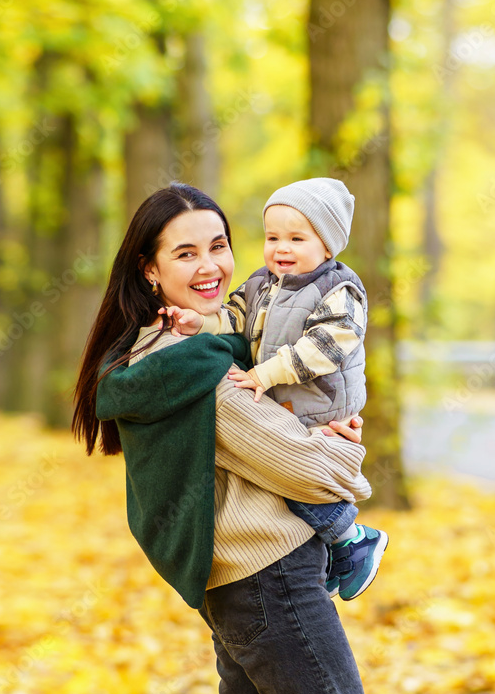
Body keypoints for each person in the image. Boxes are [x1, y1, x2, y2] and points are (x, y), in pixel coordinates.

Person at [72, 183, 398, 694]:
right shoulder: (199, 370)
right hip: (269, 576)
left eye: (218, 246)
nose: (210, 266)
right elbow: (320, 474)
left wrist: (308, 430)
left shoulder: (179, 346)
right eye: (184, 252)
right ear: (148, 268)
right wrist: (342, 443)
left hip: (237, 577)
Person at [158, 177, 388, 601]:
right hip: (290, 401)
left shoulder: (339, 290)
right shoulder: (262, 284)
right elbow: (235, 319)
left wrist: (266, 374)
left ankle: (350, 536)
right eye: (273, 237)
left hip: (323, 400)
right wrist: (200, 323)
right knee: (282, 471)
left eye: (297, 238)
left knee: (291, 472)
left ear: (327, 247)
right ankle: (340, 546)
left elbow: (327, 347)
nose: (281, 248)